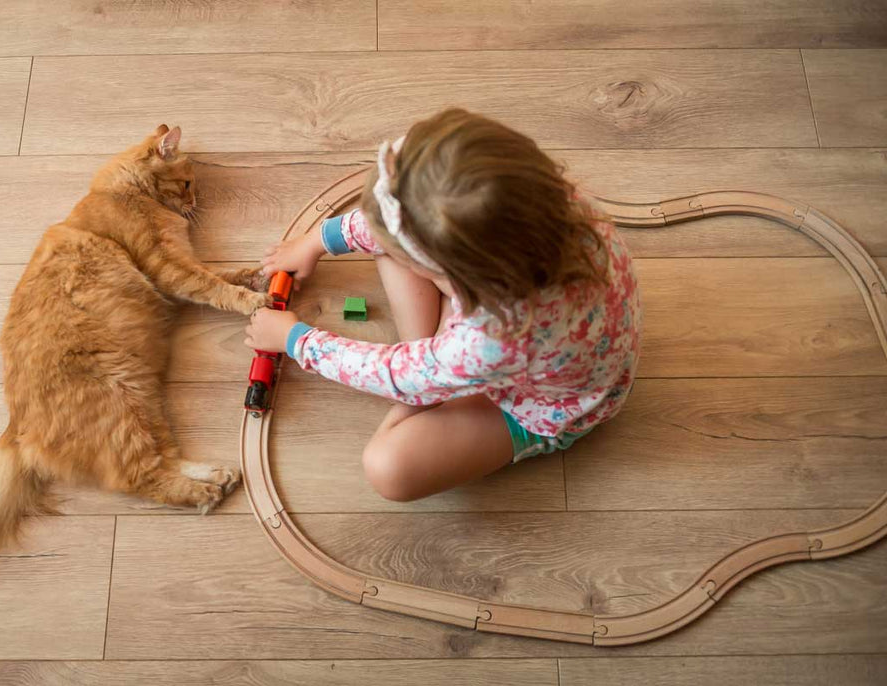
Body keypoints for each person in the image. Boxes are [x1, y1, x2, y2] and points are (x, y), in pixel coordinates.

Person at [245, 108, 641, 502]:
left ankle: (436, 377)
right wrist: (320, 240)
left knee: (388, 466)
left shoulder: (494, 338)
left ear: (459, 276)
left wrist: (296, 339)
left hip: (543, 406)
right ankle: (437, 368)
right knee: (400, 234)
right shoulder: (545, 198)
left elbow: (394, 375)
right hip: (525, 339)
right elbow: (415, 207)